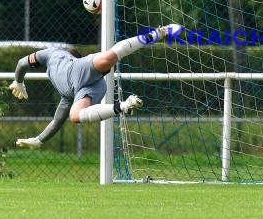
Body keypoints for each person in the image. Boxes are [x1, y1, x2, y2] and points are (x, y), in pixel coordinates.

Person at [9, 24, 182, 149]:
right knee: (75, 116)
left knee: (109, 57)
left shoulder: (56, 53)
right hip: (89, 88)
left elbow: (21, 62)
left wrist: (19, 80)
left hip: (78, 69)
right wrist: (38, 140)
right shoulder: (66, 97)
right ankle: (123, 106)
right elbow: (56, 122)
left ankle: (161, 32)